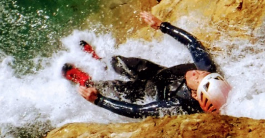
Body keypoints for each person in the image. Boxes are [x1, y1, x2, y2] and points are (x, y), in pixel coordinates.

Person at [66, 12, 231, 118]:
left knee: (108, 88)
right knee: (122, 62)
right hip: (157, 73)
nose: (197, 72)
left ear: (195, 95)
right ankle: (99, 60)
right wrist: (162, 26)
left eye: (198, 78)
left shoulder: (179, 105)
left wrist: (99, 100)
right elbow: (192, 43)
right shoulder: (209, 71)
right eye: (203, 73)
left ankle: (86, 82)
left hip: (144, 92)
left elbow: (139, 111)